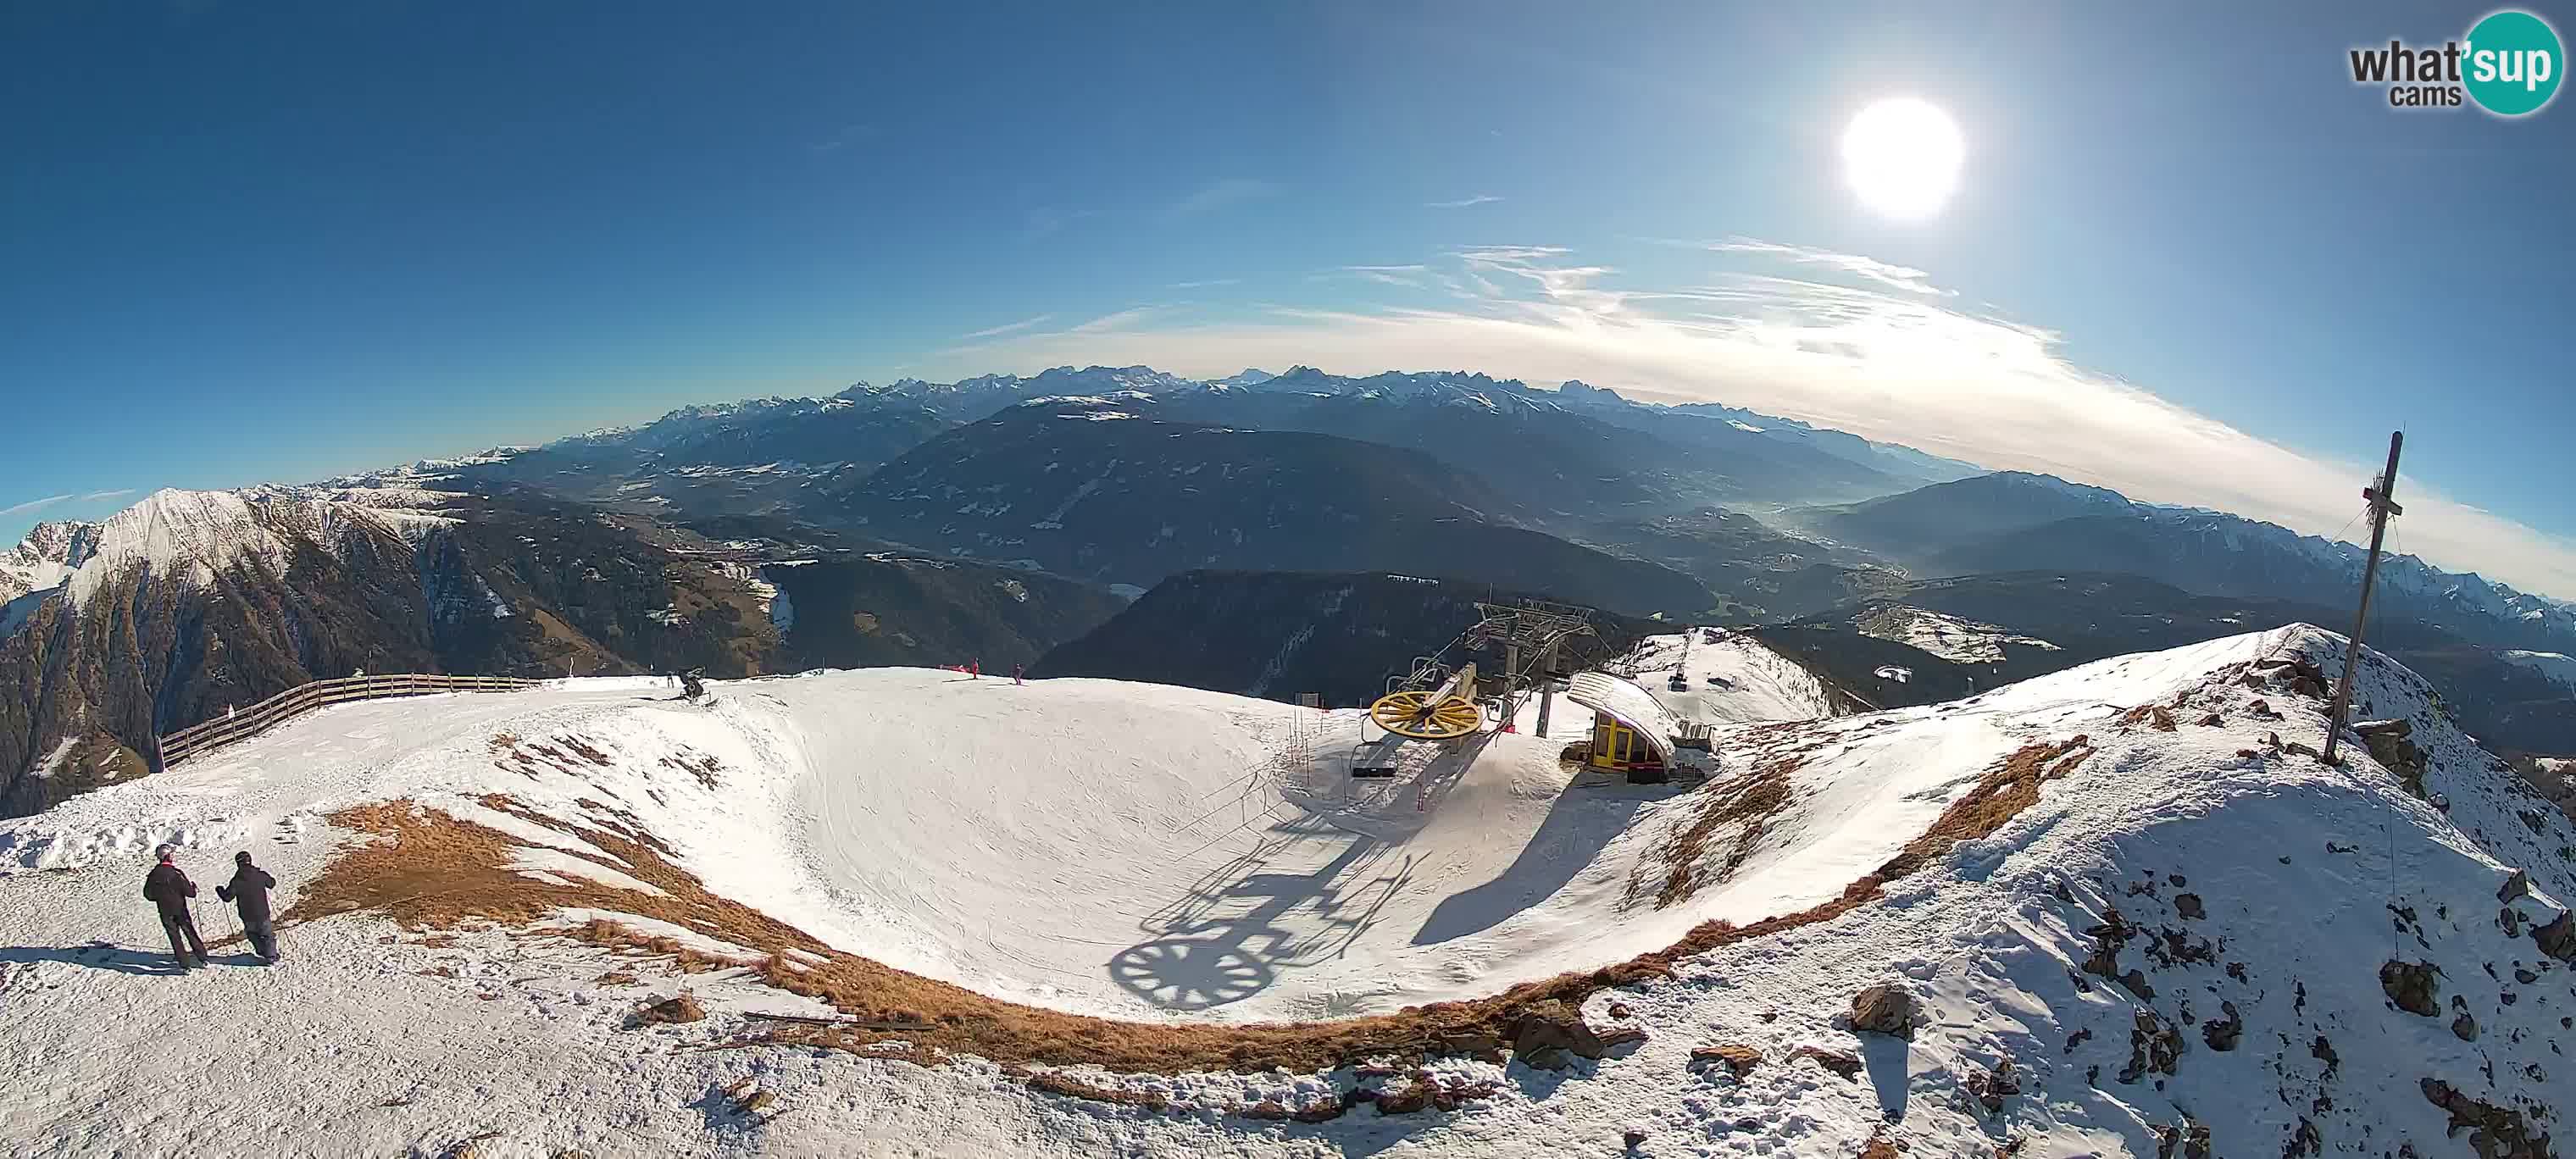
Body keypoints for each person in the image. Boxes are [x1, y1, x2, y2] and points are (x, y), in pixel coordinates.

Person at [142, 845, 208, 971]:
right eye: (171, 854)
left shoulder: (153, 874)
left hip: (165, 911)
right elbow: (190, 893)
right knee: (189, 932)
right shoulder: (176, 873)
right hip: (180, 910)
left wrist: (160, 897)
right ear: (167, 856)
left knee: (175, 937)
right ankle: (202, 957)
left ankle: (184, 965)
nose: (173, 856)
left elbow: (148, 895)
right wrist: (193, 888)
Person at [216, 851, 279, 962]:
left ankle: (261, 951)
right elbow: (271, 883)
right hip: (262, 912)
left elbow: (227, 897)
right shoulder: (259, 875)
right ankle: (271, 957)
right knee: (267, 935)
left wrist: (220, 890)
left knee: (252, 934)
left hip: (247, 915)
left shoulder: (236, 881)